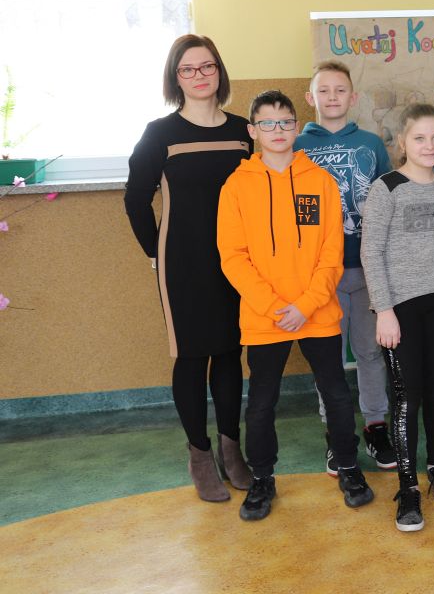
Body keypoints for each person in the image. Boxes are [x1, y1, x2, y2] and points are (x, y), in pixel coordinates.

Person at [216, 90, 374, 520]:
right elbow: (233, 257)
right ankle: (262, 479)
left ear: (296, 126)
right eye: (267, 123)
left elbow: (331, 252)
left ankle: (348, 467)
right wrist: (275, 307)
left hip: (316, 312)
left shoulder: (319, 181)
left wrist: (306, 305)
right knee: (261, 402)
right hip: (264, 317)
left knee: (336, 394)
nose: (278, 130)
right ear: (253, 131)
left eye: (285, 122)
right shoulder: (236, 186)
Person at [125, 34, 252, 503]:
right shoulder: (160, 133)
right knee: (193, 355)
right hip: (181, 261)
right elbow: (135, 198)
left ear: (219, 71)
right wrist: (154, 253)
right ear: (175, 77)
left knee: (230, 354)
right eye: (188, 69)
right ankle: (200, 455)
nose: (199, 75)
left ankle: (231, 449)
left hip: (237, 261)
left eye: (207, 66)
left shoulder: (244, 131)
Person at [361, 103, 434, 532]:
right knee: (408, 395)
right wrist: (384, 310)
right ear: (403, 143)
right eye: (419, 138)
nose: (429, 145)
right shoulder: (386, 188)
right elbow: (371, 252)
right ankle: (407, 486)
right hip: (400, 307)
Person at [294, 60, 395, 472]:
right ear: (311, 97)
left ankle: (376, 426)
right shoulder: (297, 146)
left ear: (353, 97)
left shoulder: (371, 144)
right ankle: (336, 432)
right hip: (321, 275)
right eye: (324, 90)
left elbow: (388, 200)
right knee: (329, 359)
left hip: (367, 269)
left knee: (370, 352)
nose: (332, 97)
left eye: (340, 90)